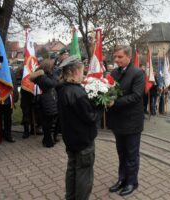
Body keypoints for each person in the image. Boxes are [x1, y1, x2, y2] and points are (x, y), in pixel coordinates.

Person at [57, 56, 98, 200]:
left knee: (72, 170)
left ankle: (70, 197)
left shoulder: (62, 89)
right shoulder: (78, 92)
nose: (83, 74)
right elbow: (90, 117)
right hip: (83, 141)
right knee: (84, 175)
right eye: (82, 70)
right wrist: (99, 107)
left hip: (70, 139)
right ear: (74, 71)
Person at [107, 45, 145, 196]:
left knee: (131, 154)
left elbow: (136, 96)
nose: (116, 60)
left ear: (129, 57)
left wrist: (115, 102)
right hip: (118, 121)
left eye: (120, 57)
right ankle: (122, 179)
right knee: (121, 153)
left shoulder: (138, 73)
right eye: (115, 57)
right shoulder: (114, 72)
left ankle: (131, 182)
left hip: (132, 122)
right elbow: (108, 90)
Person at [30, 59, 59, 148]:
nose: (53, 68)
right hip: (45, 100)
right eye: (52, 66)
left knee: (49, 121)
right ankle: (48, 141)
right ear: (47, 67)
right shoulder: (41, 76)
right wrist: (54, 74)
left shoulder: (44, 75)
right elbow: (52, 83)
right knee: (47, 122)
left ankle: (46, 139)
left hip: (48, 99)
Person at [0, 67, 19, 145]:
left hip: (8, 98)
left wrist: (15, 97)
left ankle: (8, 135)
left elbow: (14, 84)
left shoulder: (10, 70)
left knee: (8, 118)